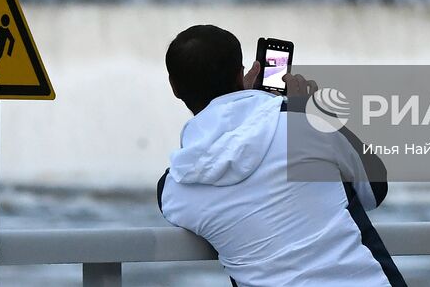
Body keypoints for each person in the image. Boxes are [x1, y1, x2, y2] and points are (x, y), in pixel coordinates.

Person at [157, 24, 406, 287]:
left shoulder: (176, 188)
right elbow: (374, 189)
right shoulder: (303, 123)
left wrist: (255, 107)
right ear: (240, 73)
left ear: (174, 87)